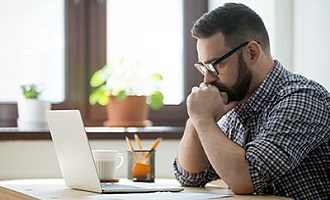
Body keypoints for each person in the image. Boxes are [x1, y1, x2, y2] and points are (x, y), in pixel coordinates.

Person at [173, 3, 330, 200]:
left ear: (252, 53)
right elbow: (191, 177)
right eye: (204, 67)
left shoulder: (302, 99)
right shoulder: (237, 106)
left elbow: (246, 179)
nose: (207, 79)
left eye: (217, 65)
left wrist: (203, 118)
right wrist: (196, 119)